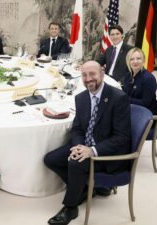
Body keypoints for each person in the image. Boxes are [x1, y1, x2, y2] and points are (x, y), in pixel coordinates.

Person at [43, 61, 131, 225]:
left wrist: (92, 150)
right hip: (85, 144)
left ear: (102, 74)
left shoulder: (119, 98)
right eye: (84, 75)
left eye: (92, 74)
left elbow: (122, 137)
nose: (88, 79)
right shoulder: (81, 98)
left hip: (107, 153)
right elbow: (77, 128)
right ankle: (84, 189)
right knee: (50, 159)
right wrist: (78, 146)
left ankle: (70, 208)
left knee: (75, 163)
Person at [123, 47, 157, 115]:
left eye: (138, 58)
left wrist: (124, 99)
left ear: (143, 60)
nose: (135, 61)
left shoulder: (148, 79)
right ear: (128, 61)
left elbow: (145, 103)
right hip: (132, 108)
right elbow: (126, 93)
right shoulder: (128, 75)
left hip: (146, 114)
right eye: (132, 59)